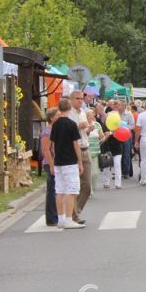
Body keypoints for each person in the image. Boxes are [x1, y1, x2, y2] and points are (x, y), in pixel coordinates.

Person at [49, 98, 85, 229]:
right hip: (69, 161)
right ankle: (69, 219)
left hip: (58, 161)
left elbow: (52, 144)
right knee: (72, 190)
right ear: (69, 109)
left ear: (59, 109)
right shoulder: (71, 124)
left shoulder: (55, 124)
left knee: (60, 190)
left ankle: (61, 219)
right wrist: (80, 162)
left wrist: (53, 161)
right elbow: (76, 144)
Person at [70, 91, 92, 225]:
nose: (80, 101)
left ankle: (76, 211)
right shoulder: (69, 113)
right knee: (74, 186)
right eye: (77, 99)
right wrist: (80, 126)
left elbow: (83, 132)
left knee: (87, 186)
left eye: (81, 99)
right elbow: (69, 130)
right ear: (71, 100)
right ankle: (73, 215)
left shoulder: (83, 112)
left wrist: (87, 130)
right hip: (74, 150)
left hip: (85, 148)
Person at [40, 108, 59, 226]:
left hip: (57, 162)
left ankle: (56, 215)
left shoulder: (55, 130)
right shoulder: (47, 132)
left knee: (56, 190)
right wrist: (52, 166)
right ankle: (51, 218)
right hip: (50, 163)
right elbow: (46, 151)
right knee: (51, 190)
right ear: (52, 118)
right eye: (58, 115)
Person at [100, 113, 125, 189]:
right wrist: (107, 134)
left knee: (117, 165)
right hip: (107, 147)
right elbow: (103, 135)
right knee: (106, 165)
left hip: (117, 147)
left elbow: (123, 136)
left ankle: (118, 183)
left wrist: (115, 134)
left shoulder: (120, 125)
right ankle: (106, 182)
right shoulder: (104, 124)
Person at [116, 100, 135, 178]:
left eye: (119, 105)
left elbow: (132, 125)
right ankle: (119, 172)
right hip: (117, 137)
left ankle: (126, 172)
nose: (118, 107)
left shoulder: (129, 114)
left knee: (126, 154)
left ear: (124, 106)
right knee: (118, 154)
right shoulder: (115, 114)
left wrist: (124, 128)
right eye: (118, 105)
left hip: (126, 137)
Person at [85, 110, 103, 195]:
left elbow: (101, 137)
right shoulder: (83, 125)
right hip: (86, 152)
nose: (90, 117)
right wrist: (88, 130)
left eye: (91, 115)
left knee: (95, 173)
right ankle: (89, 190)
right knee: (88, 173)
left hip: (95, 152)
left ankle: (92, 187)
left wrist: (105, 136)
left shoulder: (97, 125)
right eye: (88, 115)